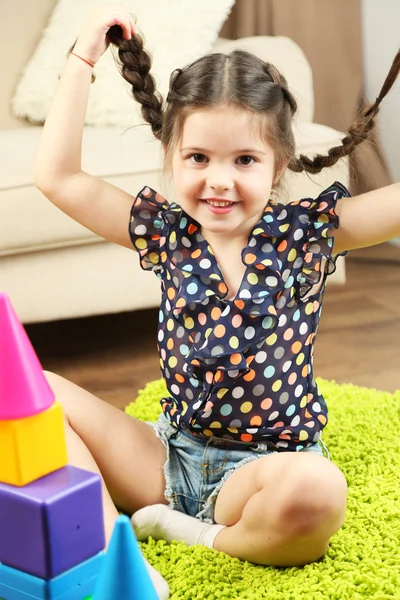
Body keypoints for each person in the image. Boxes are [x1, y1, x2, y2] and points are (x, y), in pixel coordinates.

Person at [35, 3, 400, 581]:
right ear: (171, 158)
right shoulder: (165, 231)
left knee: (318, 490)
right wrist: (83, 58)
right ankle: (113, 554)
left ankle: (196, 534)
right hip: (169, 458)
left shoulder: (305, 235)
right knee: (37, 392)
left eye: (245, 160)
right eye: (199, 158)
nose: (219, 180)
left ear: (277, 164)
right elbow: (59, 178)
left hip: (266, 471)